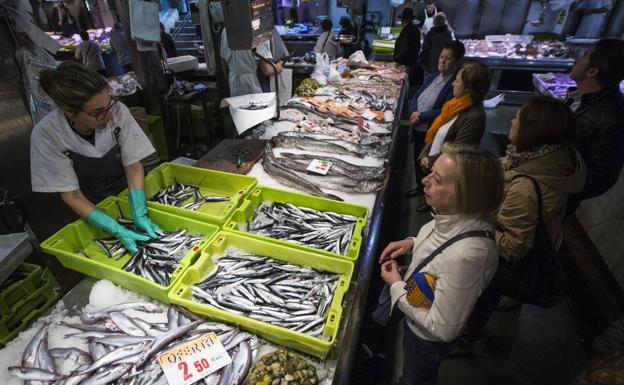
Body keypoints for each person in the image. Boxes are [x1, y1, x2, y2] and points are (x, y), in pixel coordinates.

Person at [459, 96, 586, 350]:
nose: (512, 120)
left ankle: (464, 336)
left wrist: (471, 224)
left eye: (518, 118)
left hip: (501, 264)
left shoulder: (525, 187)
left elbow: (513, 246)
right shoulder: (552, 157)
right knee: (484, 294)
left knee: (479, 294)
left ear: (533, 131)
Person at [379, 143, 504, 385]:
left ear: (462, 193)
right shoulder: (455, 216)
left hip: (425, 336)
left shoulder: (469, 256)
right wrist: (412, 243)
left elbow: (443, 326)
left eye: (437, 179)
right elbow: (443, 244)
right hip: (420, 297)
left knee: (417, 376)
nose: (425, 181)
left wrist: (396, 286)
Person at [31, 61, 160, 253]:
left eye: (110, 104)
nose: (108, 116)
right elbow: (72, 195)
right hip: (90, 204)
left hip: (131, 191)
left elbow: (133, 165)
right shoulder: (47, 134)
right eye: (98, 112)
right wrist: (116, 229)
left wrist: (139, 213)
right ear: (69, 111)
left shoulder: (117, 111)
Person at [567, 38, 624, 215]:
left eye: (584, 55)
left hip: (552, 201)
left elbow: (601, 178)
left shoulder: (611, 116)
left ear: (592, 71)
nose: (577, 59)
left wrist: (554, 187)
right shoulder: (580, 99)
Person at [406, 41, 465, 198]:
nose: (442, 61)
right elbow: (418, 95)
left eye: (448, 58)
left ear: (457, 61)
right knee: (417, 157)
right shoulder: (433, 76)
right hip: (418, 124)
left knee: (429, 164)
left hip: (431, 129)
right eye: (441, 57)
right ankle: (419, 187)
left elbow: (446, 110)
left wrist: (422, 115)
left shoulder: (455, 84)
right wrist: (413, 110)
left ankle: (427, 195)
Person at [220, 28, 288, 96]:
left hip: (233, 83)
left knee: (237, 105)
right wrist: (279, 67)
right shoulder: (258, 30)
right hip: (253, 84)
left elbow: (223, 63)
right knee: (257, 105)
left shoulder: (225, 30)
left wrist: (231, 78)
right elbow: (267, 70)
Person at [394, 8, 421, 86]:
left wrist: (397, 61)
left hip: (406, 63)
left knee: (403, 83)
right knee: (407, 81)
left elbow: (403, 49)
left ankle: (405, 97)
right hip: (413, 61)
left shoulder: (406, 31)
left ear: (403, 20)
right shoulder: (416, 29)